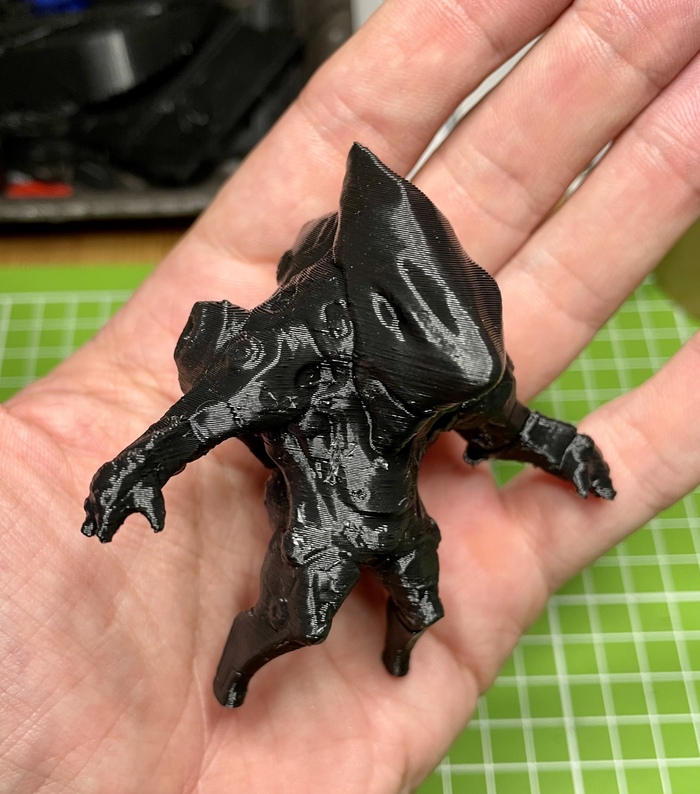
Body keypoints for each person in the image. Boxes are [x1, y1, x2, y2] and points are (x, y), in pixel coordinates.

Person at [1, 0, 698, 790]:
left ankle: (398, 653)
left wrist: (566, 451)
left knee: (423, 605)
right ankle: (238, 670)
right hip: (323, 501)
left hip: (392, 503)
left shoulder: (465, 367)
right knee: (302, 617)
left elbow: (508, 423)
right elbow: (212, 408)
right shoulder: (307, 332)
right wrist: (135, 467)